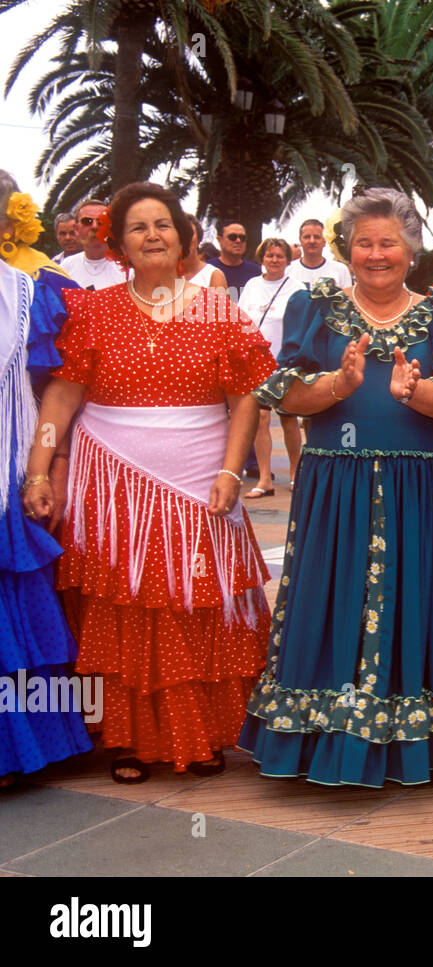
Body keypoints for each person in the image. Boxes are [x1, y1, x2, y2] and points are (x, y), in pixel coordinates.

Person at [21, 182, 275, 783]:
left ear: (184, 238)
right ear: (119, 246)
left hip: (201, 482)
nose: (152, 235)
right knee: (124, 608)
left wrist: (232, 471)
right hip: (112, 490)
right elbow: (61, 397)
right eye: (138, 228)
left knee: (197, 601)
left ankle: (206, 734)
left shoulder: (220, 313)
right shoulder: (92, 310)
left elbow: (246, 400)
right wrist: (39, 466)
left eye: (163, 224)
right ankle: (127, 737)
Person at [238, 188, 433, 786]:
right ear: (347, 248)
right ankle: (318, 745)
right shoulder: (312, 303)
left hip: (415, 486)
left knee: (410, 601)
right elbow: (282, 393)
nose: (376, 254)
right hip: (334, 485)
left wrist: (412, 392)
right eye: (364, 242)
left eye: (388, 243)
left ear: (411, 250)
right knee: (329, 598)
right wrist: (337, 386)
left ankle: (412, 748)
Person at [0, 259, 92, 789]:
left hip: (10, 475)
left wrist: (50, 468)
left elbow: (59, 394)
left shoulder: (30, 294)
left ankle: (21, 747)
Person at [238, 237, 304, 497]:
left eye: (279, 256)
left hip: (285, 361)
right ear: (262, 258)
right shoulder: (252, 285)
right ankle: (264, 478)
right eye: (269, 255)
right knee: (261, 419)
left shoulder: (296, 287)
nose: (274, 260)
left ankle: (295, 473)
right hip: (256, 363)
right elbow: (241, 320)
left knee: (288, 418)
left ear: (287, 260)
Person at [61, 199, 128, 290]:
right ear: (76, 229)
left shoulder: (127, 268)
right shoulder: (65, 267)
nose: (94, 226)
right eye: (87, 221)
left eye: (101, 221)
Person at [286, 218, 352, 289]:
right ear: (300, 240)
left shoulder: (341, 270)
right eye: (307, 237)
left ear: (324, 241)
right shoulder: (288, 271)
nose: (312, 241)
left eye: (317, 237)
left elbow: (347, 298)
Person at [207, 221, 261, 291]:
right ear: (219, 240)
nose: (238, 240)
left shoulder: (255, 272)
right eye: (232, 237)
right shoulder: (207, 270)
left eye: (242, 237)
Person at [182, 215, 227, 293]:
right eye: (181, 234)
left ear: (199, 239)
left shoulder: (212, 276)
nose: (185, 238)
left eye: (190, 233)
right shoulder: (162, 273)